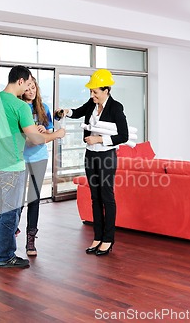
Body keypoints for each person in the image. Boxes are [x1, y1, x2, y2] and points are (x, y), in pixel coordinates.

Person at [0, 65, 65, 268]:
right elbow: (36, 139)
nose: (29, 87)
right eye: (28, 83)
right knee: (11, 212)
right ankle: (5, 256)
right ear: (20, 82)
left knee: (5, 210)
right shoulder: (19, 107)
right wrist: (56, 134)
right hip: (12, 165)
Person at [58, 69, 128, 256]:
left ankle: (108, 239)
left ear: (106, 90)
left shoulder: (116, 108)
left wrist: (99, 140)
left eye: (95, 92)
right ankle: (97, 237)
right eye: (91, 92)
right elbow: (78, 112)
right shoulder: (91, 103)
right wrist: (67, 111)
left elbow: (124, 135)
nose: (92, 95)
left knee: (107, 196)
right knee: (94, 196)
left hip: (106, 156)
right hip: (90, 156)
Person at [20, 77, 53, 256]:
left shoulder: (43, 108)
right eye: (28, 88)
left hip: (39, 158)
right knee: (17, 200)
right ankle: (10, 233)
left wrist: (44, 130)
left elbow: (49, 129)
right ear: (22, 89)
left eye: (33, 87)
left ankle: (30, 240)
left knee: (34, 199)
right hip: (21, 159)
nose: (31, 91)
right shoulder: (18, 108)